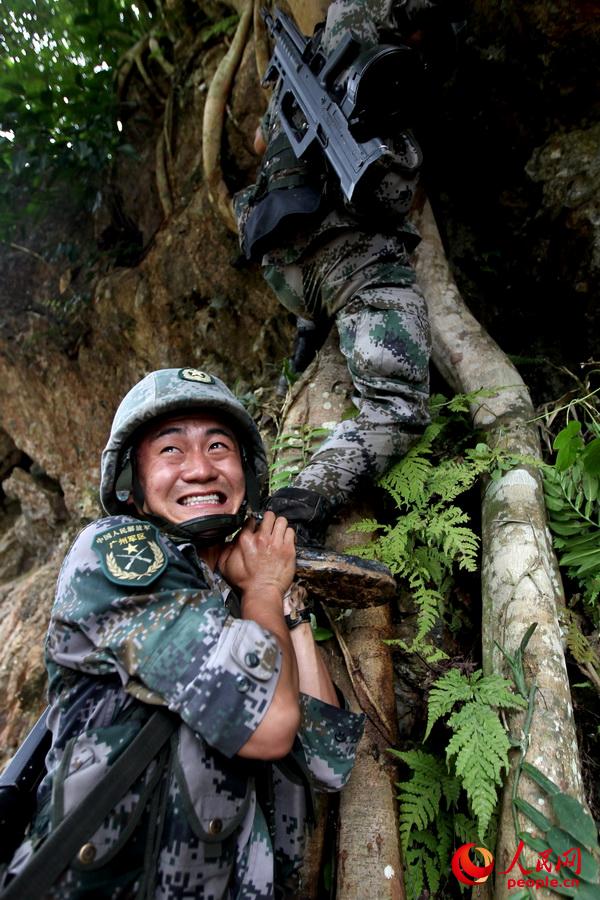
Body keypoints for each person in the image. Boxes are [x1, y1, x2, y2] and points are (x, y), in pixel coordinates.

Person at [1, 367, 364, 898]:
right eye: (170, 450)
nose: (200, 468)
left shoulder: (233, 591)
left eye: (219, 446)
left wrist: (284, 605)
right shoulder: (117, 552)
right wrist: (263, 588)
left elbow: (326, 759)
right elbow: (269, 724)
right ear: (135, 487)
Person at [235, 0, 461, 549]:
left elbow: (260, 143)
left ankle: (303, 356)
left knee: (323, 311)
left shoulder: (318, 55)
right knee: (396, 406)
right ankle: (290, 516)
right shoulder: (382, 51)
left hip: (283, 270)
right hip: (351, 256)